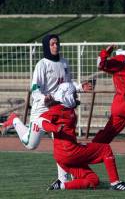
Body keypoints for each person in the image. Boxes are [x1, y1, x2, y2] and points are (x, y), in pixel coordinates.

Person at [3, 34, 92, 182]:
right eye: (52, 44)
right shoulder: (42, 65)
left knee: (62, 143)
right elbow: (35, 89)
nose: (55, 46)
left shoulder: (64, 62)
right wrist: (45, 98)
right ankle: (14, 120)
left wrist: (80, 87)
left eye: (57, 43)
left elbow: (68, 84)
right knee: (31, 145)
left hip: (59, 108)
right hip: (42, 108)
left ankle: (62, 180)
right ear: (46, 46)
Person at [38, 81, 125, 191]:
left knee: (93, 180)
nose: (75, 96)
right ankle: (115, 182)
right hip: (69, 152)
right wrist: (54, 128)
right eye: (73, 95)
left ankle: (61, 186)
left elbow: (67, 90)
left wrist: (80, 87)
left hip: (62, 157)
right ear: (66, 96)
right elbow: (41, 121)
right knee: (105, 149)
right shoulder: (58, 109)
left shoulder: (64, 106)